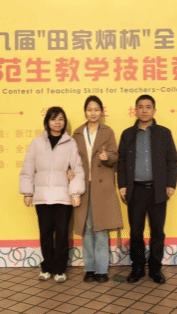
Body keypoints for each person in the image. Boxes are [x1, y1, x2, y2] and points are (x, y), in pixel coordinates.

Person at [19, 106, 85, 283]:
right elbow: (28, 169)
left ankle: (60, 269)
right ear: (47, 122)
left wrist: (75, 193)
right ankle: (46, 267)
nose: (57, 122)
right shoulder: (37, 143)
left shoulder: (70, 143)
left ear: (65, 122)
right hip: (42, 197)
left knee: (62, 235)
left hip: (63, 197)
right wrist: (27, 192)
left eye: (61, 119)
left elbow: (77, 169)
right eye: (54, 119)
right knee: (45, 233)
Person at [118, 95, 177, 284]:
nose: (144, 110)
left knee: (157, 231)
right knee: (136, 232)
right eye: (141, 107)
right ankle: (137, 268)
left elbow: (172, 160)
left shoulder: (164, 133)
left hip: (157, 190)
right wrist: (122, 185)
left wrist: (171, 184)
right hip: (135, 190)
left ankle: (155, 269)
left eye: (148, 107)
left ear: (154, 110)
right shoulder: (127, 134)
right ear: (135, 110)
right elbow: (121, 162)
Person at [71, 96, 123, 283]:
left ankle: (101, 270)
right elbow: (71, 159)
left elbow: (116, 156)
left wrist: (107, 156)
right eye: (89, 109)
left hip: (102, 186)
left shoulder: (108, 132)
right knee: (87, 228)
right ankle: (89, 269)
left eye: (96, 109)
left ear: (101, 112)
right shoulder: (77, 133)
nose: (93, 113)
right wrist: (69, 172)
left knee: (101, 228)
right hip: (84, 185)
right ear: (85, 111)